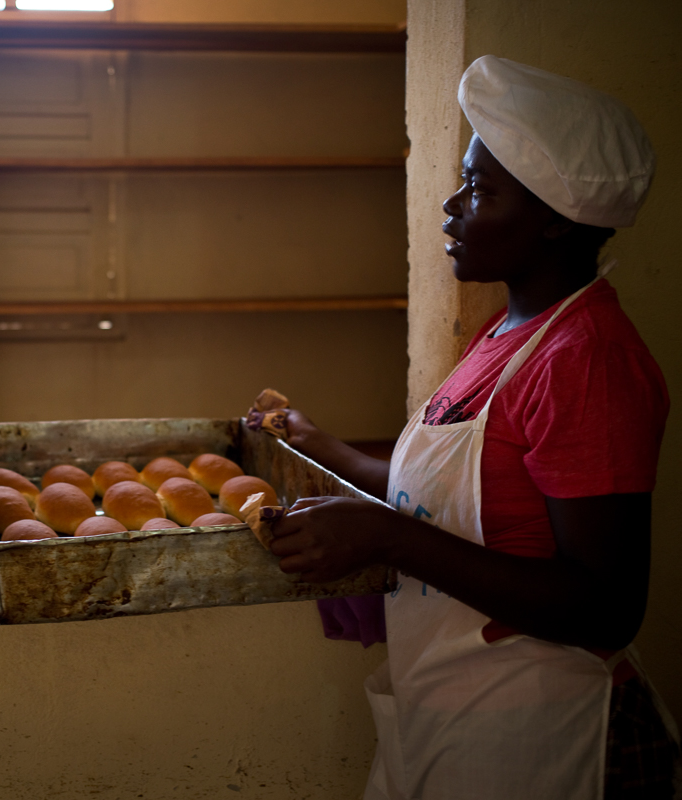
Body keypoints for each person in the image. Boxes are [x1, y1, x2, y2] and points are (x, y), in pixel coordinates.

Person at [254, 57, 678, 799]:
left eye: (480, 190)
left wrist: (383, 538)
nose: (451, 207)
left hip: (539, 728)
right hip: (457, 716)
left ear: (552, 219)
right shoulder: (506, 336)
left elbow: (604, 603)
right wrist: (316, 444)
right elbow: (441, 500)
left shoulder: (587, 361)